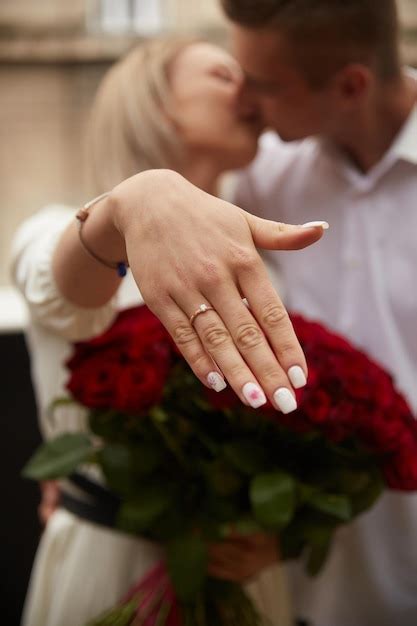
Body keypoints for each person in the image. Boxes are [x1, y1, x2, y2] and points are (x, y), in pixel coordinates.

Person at [12, 37, 325, 626]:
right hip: (108, 567)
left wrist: (283, 534)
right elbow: (67, 286)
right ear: (159, 104)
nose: (249, 89)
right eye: (224, 75)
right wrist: (137, 199)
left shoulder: (270, 265)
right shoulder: (55, 228)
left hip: (242, 574)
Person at [218, 1, 417, 625]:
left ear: (351, 85)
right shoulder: (260, 178)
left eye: (265, 85)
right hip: (311, 587)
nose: (243, 102)